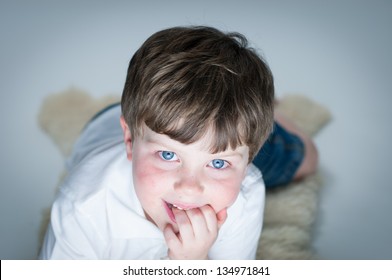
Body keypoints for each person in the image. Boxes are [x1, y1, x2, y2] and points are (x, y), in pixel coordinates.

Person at [39, 26, 317, 260]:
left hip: (228, 132)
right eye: (168, 156)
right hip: (108, 122)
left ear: (246, 165)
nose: (189, 187)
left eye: (218, 163)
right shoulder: (83, 209)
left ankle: (271, 119)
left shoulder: (245, 193)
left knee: (306, 160)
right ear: (129, 140)